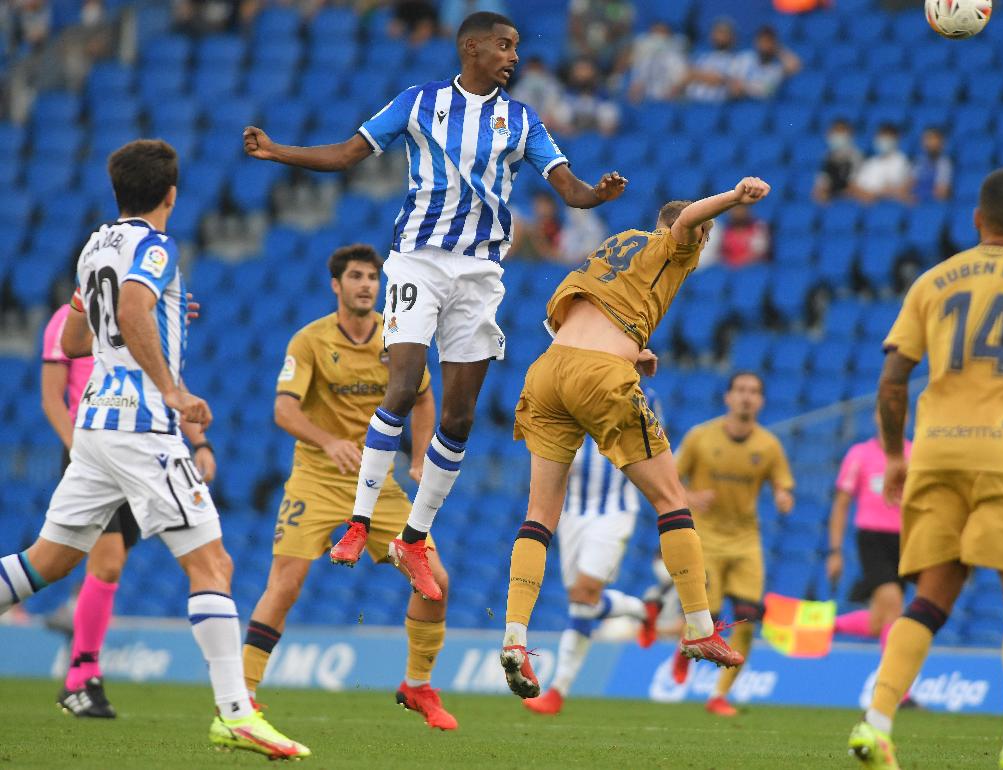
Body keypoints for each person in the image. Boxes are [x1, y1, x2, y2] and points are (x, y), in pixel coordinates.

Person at [242, 12, 626, 601]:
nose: (512, 55)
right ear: (470, 47)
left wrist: (595, 194)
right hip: (418, 260)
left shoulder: (521, 120)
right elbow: (349, 153)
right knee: (402, 383)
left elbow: (567, 187)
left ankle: (415, 537)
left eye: (516, 46)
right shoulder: (418, 103)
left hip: (480, 273)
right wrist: (277, 152)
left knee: (459, 417)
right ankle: (360, 520)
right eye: (503, 44)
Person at [0, 139, 308, 758]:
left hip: (94, 427)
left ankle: (235, 711)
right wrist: (171, 385)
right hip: (142, 426)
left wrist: (151, 319)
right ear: (172, 194)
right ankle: (235, 713)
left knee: (48, 562)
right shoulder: (156, 247)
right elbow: (134, 306)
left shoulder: (94, 245)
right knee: (212, 565)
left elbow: (78, 332)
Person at [498, 177, 773, 699]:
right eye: (703, 235)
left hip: (548, 370)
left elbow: (569, 324)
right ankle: (698, 628)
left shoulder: (614, 247)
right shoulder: (677, 242)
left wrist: (631, 353)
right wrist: (733, 198)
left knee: (538, 516)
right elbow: (689, 220)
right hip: (600, 378)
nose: (701, 244)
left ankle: (515, 637)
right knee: (672, 499)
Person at [847, 168, 1003, 770]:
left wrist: (897, 454)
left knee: (929, 597)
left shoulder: (933, 280)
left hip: (937, 450)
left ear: (976, 219)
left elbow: (892, 380)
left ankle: (875, 723)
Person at [240, 244, 456, 730]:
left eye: (372, 277)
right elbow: (283, 409)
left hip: (378, 487)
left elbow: (424, 399)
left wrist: (420, 456)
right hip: (316, 480)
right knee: (285, 584)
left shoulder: (397, 335)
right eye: (355, 276)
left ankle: (417, 685)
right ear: (335, 285)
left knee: (437, 582)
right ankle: (243, 694)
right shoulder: (310, 341)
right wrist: (329, 441)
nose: (366, 285)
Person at [45, 298, 214, 718]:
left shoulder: (144, 319)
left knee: (104, 566)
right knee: (106, 563)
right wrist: (80, 452)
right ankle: (81, 678)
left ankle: (81, 667)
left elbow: (168, 384)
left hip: (140, 445)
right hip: (95, 448)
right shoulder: (64, 325)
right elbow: (52, 398)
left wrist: (201, 443)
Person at [674, 371, 795, 717]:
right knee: (707, 617)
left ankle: (720, 695)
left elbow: (782, 485)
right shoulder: (700, 437)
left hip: (745, 541)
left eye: (753, 392)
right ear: (728, 397)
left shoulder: (768, 446)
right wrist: (690, 496)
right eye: (740, 390)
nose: (746, 397)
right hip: (706, 539)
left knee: (747, 618)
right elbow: (669, 479)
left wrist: (784, 497)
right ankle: (685, 646)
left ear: (761, 401)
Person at [521, 428, 659, 716]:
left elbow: (655, 448)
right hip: (571, 511)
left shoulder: (638, 396)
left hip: (614, 511)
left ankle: (558, 690)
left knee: (584, 597)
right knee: (581, 601)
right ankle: (644, 610)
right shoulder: (566, 396)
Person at [827, 414, 910, 655]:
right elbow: (841, 504)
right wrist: (835, 551)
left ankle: (826, 627)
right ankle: (899, 691)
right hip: (873, 539)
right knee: (894, 605)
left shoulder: (915, 455)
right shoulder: (859, 455)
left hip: (905, 541)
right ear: (876, 416)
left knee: (880, 621)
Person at [625, 20, 688, 103]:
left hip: (666, 103)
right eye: (655, 32)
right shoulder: (643, 58)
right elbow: (635, 84)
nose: (657, 36)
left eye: (661, 32)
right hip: (645, 102)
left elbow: (681, 82)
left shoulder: (676, 57)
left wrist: (663, 102)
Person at [848, 124, 912, 205]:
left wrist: (877, 195)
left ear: (896, 139)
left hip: (890, 205)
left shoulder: (901, 161)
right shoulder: (870, 162)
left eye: (887, 138)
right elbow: (854, 186)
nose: (883, 141)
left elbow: (900, 189)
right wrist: (867, 195)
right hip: (868, 205)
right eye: (880, 137)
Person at [683, 19, 744, 102]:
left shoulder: (738, 60)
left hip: (717, 107)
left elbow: (722, 81)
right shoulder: (702, 58)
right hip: (693, 104)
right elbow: (687, 76)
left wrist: (697, 75)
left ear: (732, 37)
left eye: (723, 33)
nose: (719, 36)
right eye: (717, 32)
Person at [734, 25, 801, 100]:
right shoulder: (745, 58)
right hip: (740, 103)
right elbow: (734, 84)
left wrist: (779, 50)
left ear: (774, 44)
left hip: (763, 106)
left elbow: (767, 91)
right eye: (761, 42)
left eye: (768, 42)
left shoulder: (776, 69)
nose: (764, 46)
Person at [812, 119, 863, 203]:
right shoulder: (828, 157)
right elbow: (819, 190)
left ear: (850, 134)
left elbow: (855, 188)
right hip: (833, 204)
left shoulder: (857, 157)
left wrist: (833, 193)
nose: (838, 136)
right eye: (835, 132)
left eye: (841, 131)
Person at [912, 127, 952, 203]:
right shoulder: (919, 162)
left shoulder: (944, 164)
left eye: (933, 139)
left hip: (932, 206)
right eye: (927, 139)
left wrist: (919, 196)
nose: (930, 143)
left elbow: (942, 192)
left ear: (940, 142)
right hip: (916, 204)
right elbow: (909, 185)